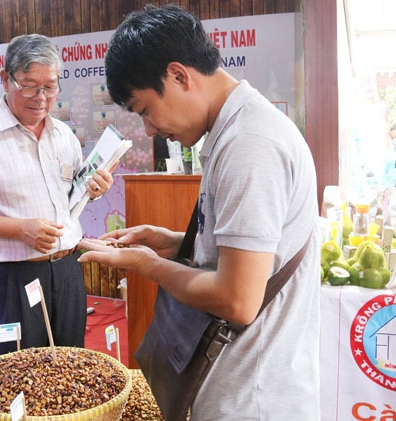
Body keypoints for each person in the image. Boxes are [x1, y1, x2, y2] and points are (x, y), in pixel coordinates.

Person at [78, 5, 320, 420]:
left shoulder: (250, 144)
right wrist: (174, 241)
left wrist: (147, 265)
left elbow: (237, 299)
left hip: (254, 399)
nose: (150, 129)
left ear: (178, 76)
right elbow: (255, 255)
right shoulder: (235, 130)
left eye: (143, 109)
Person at [0, 34, 113, 354]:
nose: (42, 98)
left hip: (67, 269)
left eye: (50, 87)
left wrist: (94, 191)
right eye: (30, 85)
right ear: (6, 79)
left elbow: (70, 194)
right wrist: (20, 229)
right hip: (11, 278)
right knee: (21, 371)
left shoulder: (63, 135)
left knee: (72, 365)